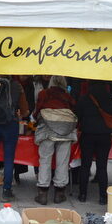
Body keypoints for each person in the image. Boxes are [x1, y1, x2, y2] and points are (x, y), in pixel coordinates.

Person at [33, 75, 77, 205]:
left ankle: (42, 193)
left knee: (45, 160)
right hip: (66, 131)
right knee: (62, 161)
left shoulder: (43, 93)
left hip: (47, 130)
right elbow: (74, 110)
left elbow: (37, 111)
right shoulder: (67, 96)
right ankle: (59, 193)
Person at [76, 80, 112, 205]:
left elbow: (77, 115)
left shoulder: (85, 98)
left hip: (87, 135)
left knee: (85, 165)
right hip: (104, 136)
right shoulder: (110, 98)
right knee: (102, 167)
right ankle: (102, 197)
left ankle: (82, 194)